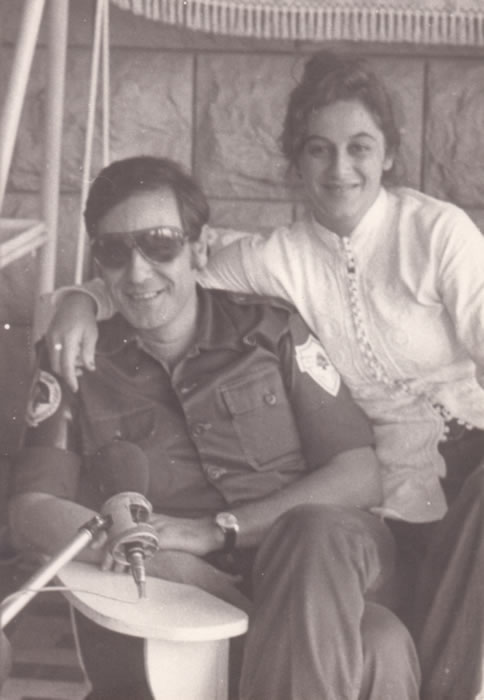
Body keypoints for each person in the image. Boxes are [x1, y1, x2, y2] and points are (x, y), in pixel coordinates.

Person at [46, 50, 484, 700]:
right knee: (356, 604)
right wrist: (79, 300)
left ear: (389, 154)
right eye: (318, 150)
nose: (339, 169)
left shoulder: (437, 233)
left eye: (359, 147)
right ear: (296, 161)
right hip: (388, 504)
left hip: (471, 474)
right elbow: (165, 271)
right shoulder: (277, 258)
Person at [8, 155, 420, 700]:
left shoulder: (271, 330)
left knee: (312, 531)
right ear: (98, 263)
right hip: (183, 597)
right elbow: (31, 509)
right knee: (380, 642)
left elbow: (359, 473)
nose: (138, 272)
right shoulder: (77, 360)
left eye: (160, 245)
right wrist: (159, 558)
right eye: (114, 251)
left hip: (324, 559)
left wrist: (214, 531)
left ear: (199, 249)